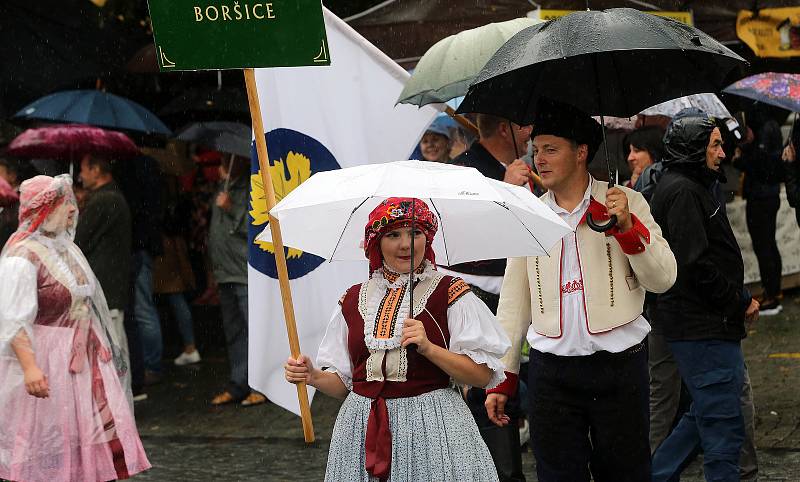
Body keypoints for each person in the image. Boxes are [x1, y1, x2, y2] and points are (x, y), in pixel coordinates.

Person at [485, 99, 677, 481]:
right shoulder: (530, 213)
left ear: (582, 152)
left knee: (625, 473)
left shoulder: (626, 202)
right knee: (557, 475)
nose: (539, 159)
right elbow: (513, 303)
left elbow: (663, 278)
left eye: (551, 149)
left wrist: (626, 227)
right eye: (536, 149)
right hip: (551, 373)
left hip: (619, 366)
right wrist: (502, 374)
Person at [284, 197, 510, 481]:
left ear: (427, 239)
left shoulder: (450, 292)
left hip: (434, 428)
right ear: (375, 243)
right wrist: (312, 375)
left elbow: (480, 376)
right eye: (393, 235)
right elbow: (346, 384)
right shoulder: (353, 299)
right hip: (361, 428)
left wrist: (429, 348)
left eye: (415, 233)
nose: (406, 244)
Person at [0, 175, 150, 481]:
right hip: (49, 357)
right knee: (52, 438)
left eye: (70, 201)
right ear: (43, 209)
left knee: (89, 434)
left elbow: (87, 300)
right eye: (62, 202)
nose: (72, 209)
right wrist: (30, 368)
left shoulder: (64, 248)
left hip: (84, 356)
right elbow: (13, 318)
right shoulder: (21, 257)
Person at [649, 112, 760, 481]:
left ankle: (655, 474)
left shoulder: (692, 184)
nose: (723, 152)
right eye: (714, 144)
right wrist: (739, 300)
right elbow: (695, 266)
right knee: (723, 426)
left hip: (706, 325)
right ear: (694, 149)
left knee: (705, 415)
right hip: (703, 327)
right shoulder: (682, 191)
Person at [447, 112, 534, 481]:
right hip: (480, 297)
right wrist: (505, 189)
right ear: (506, 128)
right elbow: (467, 240)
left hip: (523, 295)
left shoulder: (523, 167)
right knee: (491, 394)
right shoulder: (464, 173)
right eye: (524, 124)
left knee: (519, 389)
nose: (529, 132)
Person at [209, 155, 265, 406]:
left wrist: (231, 208)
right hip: (225, 272)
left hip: (243, 272)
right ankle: (238, 382)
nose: (222, 163)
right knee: (234, 332)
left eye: (226, 159)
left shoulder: (252, 188)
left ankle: (261, 385)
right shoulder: (223, 188)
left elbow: (254, 227)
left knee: (253, 330)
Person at [75, 153, 133, 394]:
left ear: (97, 169)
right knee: (116, 348)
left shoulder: (104, 200)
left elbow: (79, 241)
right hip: (112, 286)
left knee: (113, 350)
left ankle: (119, 408)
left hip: (106, 287)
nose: (80, 176)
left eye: (84, 170)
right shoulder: (111, 196)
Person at [733, 106, 784, 315]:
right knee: (769, 244)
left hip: (761, 197)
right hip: (767, 195)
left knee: (764, 245)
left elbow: (761, 166)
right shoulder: (771, 125)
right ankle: (774, 291)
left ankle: (772, 296)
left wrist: (739, 160)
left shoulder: (764, 130)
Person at [623, 125, 664, 194]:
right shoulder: (628, 185)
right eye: (629, 151)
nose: (630, 158)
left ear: (654, 151)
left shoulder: (667, 184)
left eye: (636, 151)